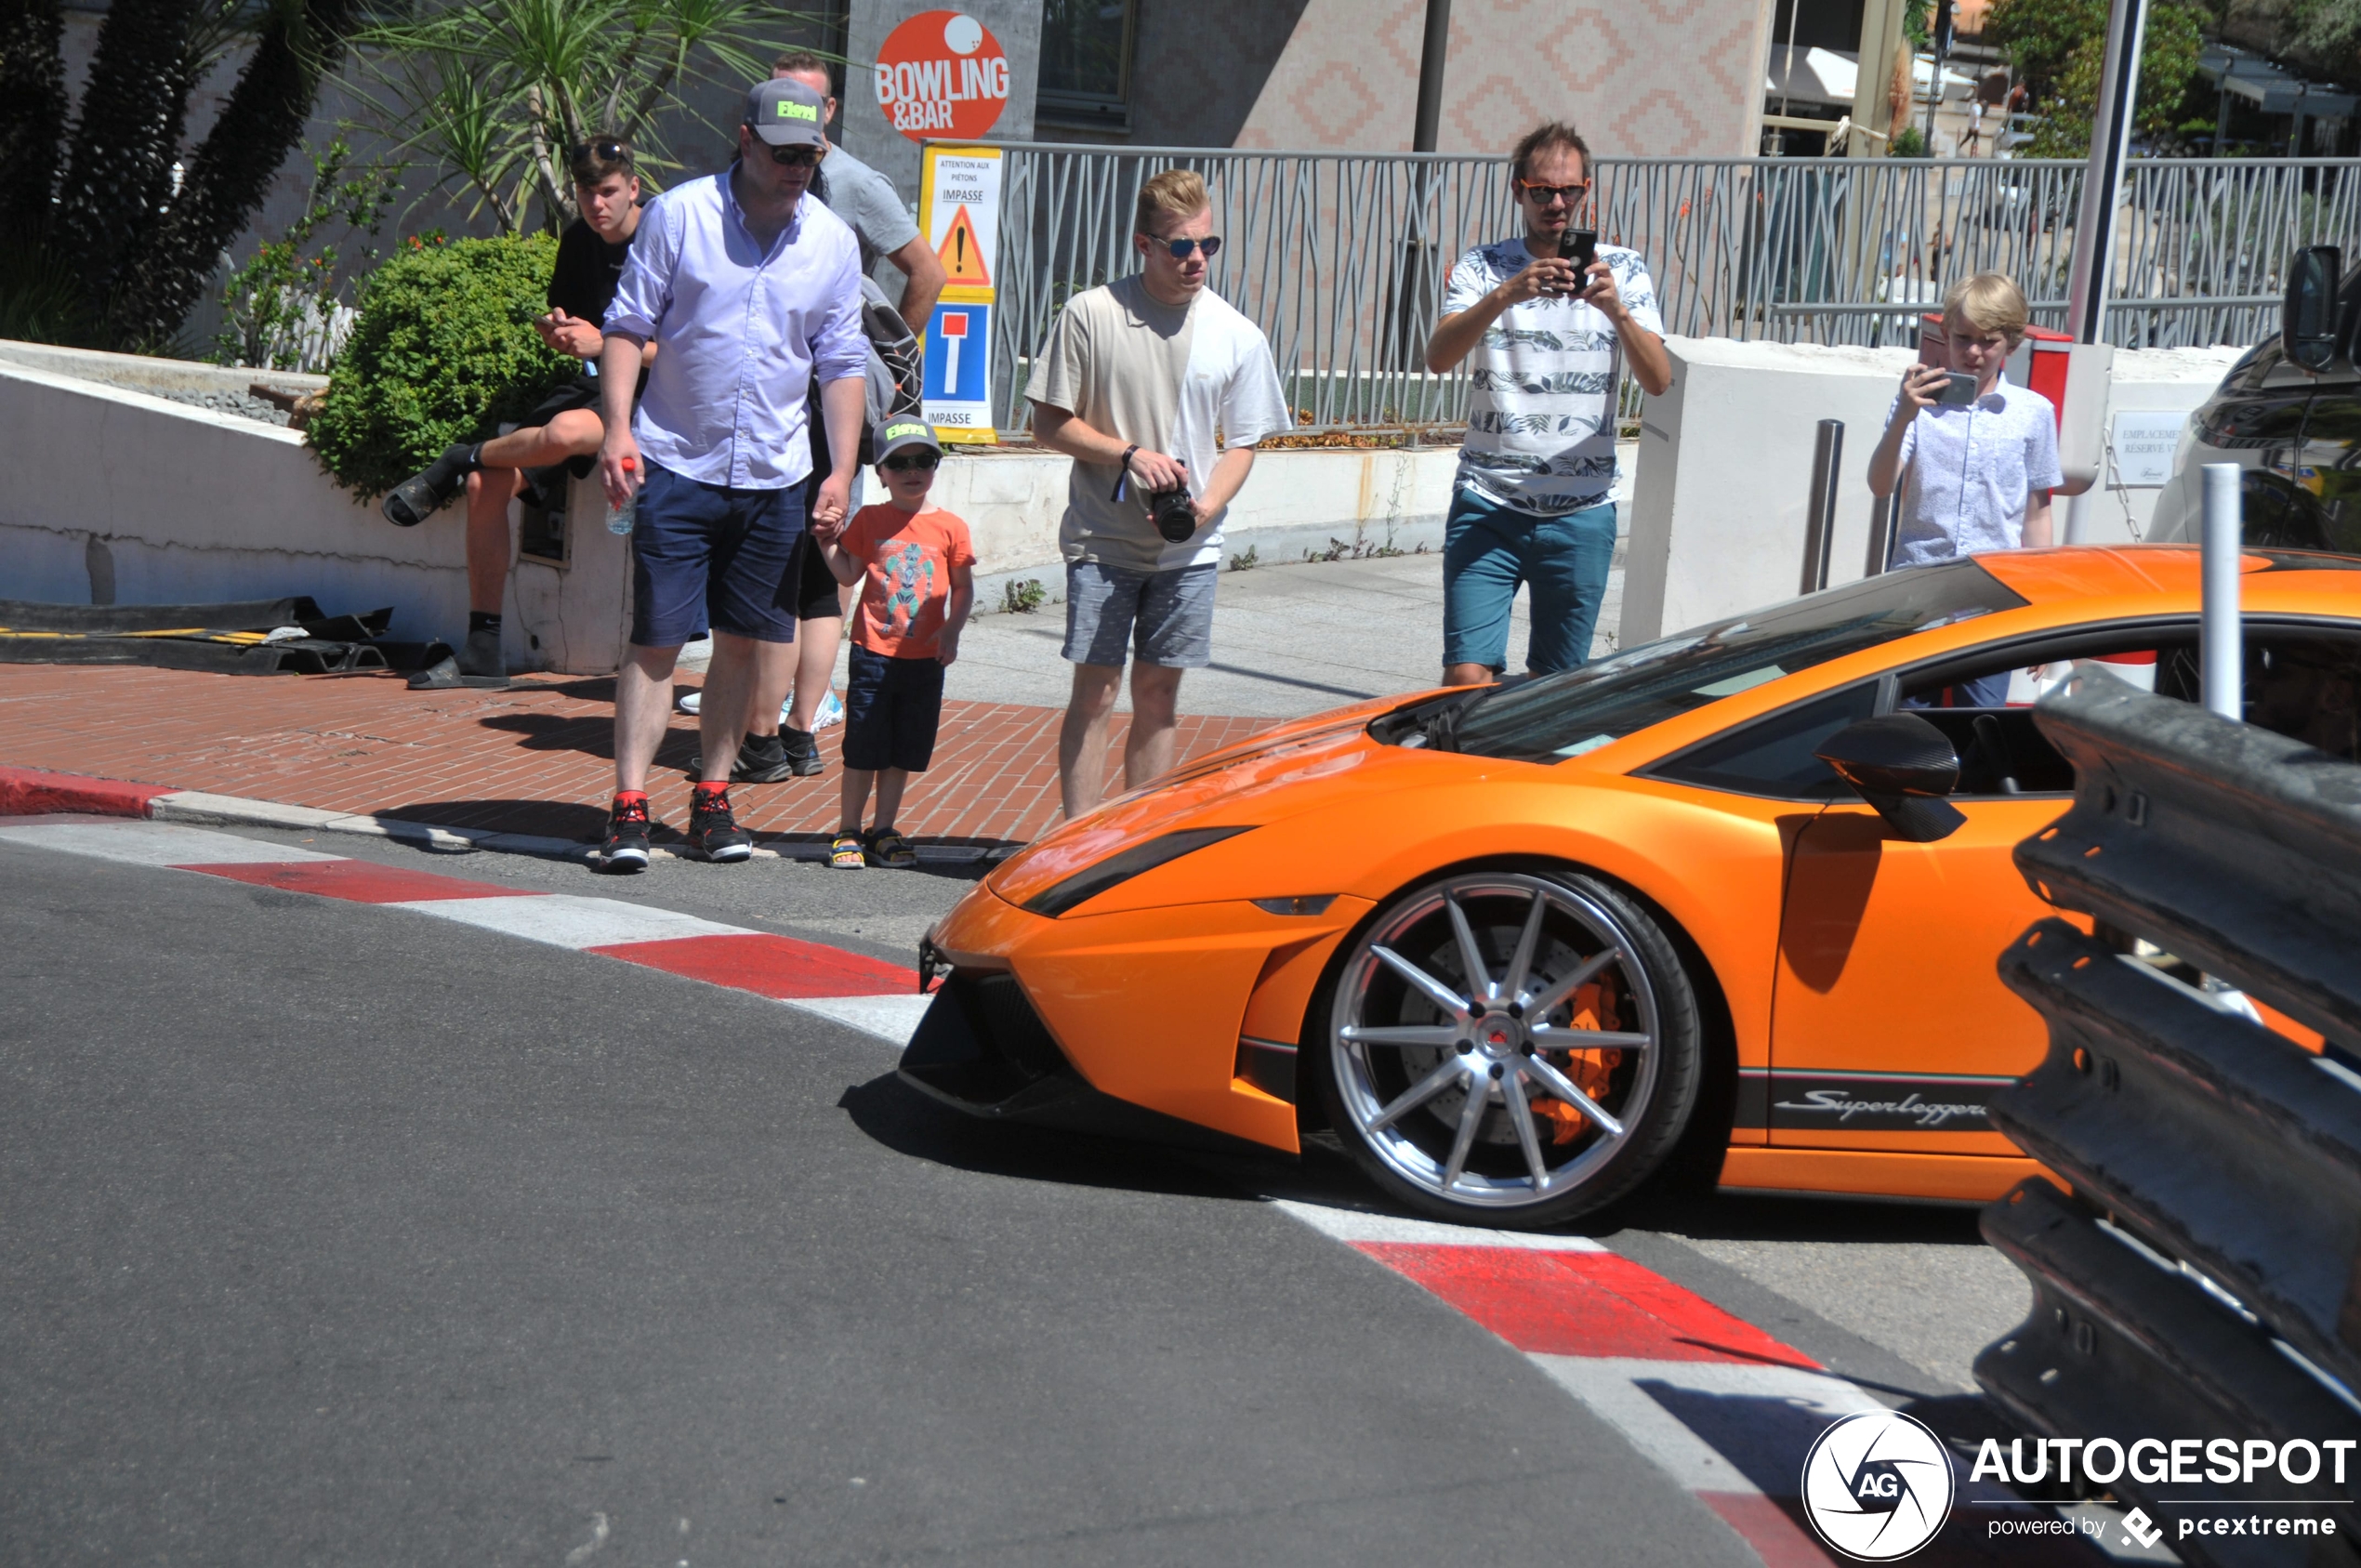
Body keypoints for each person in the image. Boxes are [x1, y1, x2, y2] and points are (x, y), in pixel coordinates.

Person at [591, 78, 867, 871]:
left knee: (743, 646)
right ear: (745, 140)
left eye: (809, 155)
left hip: (776, 473)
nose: (796, 169)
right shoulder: (680, 215)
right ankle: (629, 804)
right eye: (782, 153)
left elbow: (843, 361)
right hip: (677, 459)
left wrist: (841, 470)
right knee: (656, 640)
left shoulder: (832, 242)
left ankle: (712, 798)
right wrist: (616, 428)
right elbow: (627, 324)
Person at [708, 48, 950, 785]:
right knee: (814, 575)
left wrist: (892, 370)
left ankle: (773, 732)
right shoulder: (751, 185)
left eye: (808, 110)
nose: (797, 133)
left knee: (797, 571)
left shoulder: (846, 183)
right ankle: (789, 735)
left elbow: (929, 270)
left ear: (830, 116)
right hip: (784, 400)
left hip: (822, 402)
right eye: (779, 107)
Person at [1025, 168, 1290, 821]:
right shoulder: (1092, 313)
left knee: (1157, 694)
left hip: (1189, 550)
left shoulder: (1237, 333)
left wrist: (1207, 508)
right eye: (1180, 245)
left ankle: (1135, 840)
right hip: (1102, 537)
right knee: (1096, 691)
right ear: (1144, 244)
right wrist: (1129, 454)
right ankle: (1075, 845)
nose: (1196, 258)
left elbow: (1245, 442)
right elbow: (1048, 422)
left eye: (1208, 244)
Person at [381, 137, 653, 687]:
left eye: (608, 192)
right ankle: (483, 649)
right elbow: (573, 327)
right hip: (592, 384)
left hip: (657, 393)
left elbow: (685, 348)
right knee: (486, 485)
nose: (597, 204)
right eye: (585, 193)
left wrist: (603, 343)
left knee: (566, 430)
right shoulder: (579, 242)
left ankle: (457, 456)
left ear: (633, 188)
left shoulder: (666, 241)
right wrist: (560, 333)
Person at [1425, 121, 1670, 689]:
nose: (1557, 204)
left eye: (1569, 191)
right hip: (1489, 501)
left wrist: (1618, 312)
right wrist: (1508, 292)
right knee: (1466, 677)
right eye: (1542, 191)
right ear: (1519, 191)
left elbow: (1658, 381)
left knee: (1553, 690)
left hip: (1583, 511)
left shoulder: (1623, 269)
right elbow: (1439, 357)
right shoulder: (1483, 267)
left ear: (1586, 188)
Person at [1867, 271, 2061, 707]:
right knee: (1906, 717)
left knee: (1982, 719)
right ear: (1945, 335)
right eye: (1963, 338)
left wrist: (2043, 605)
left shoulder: (2033, 414)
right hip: (1918, 586)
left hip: (1993, 588)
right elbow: (1881, 486)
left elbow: (2036, 513)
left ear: (2011, 344)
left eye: (1988, 341)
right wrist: (1902, 416)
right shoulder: (1920, 405)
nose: (1973, 352)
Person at [814, 417, 973, 867]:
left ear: (936, 466)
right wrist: (826, 543)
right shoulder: (870, 519)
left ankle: (883, 828)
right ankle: (848, 829)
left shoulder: (951, 527)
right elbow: (848, 573)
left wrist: (952, 629)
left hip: (925, 659)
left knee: (904, 747)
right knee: (864, 745)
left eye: (923, 460)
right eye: (898, 462)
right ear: (880, 472)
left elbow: (962, 586)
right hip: (874, 655)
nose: (911, 470)